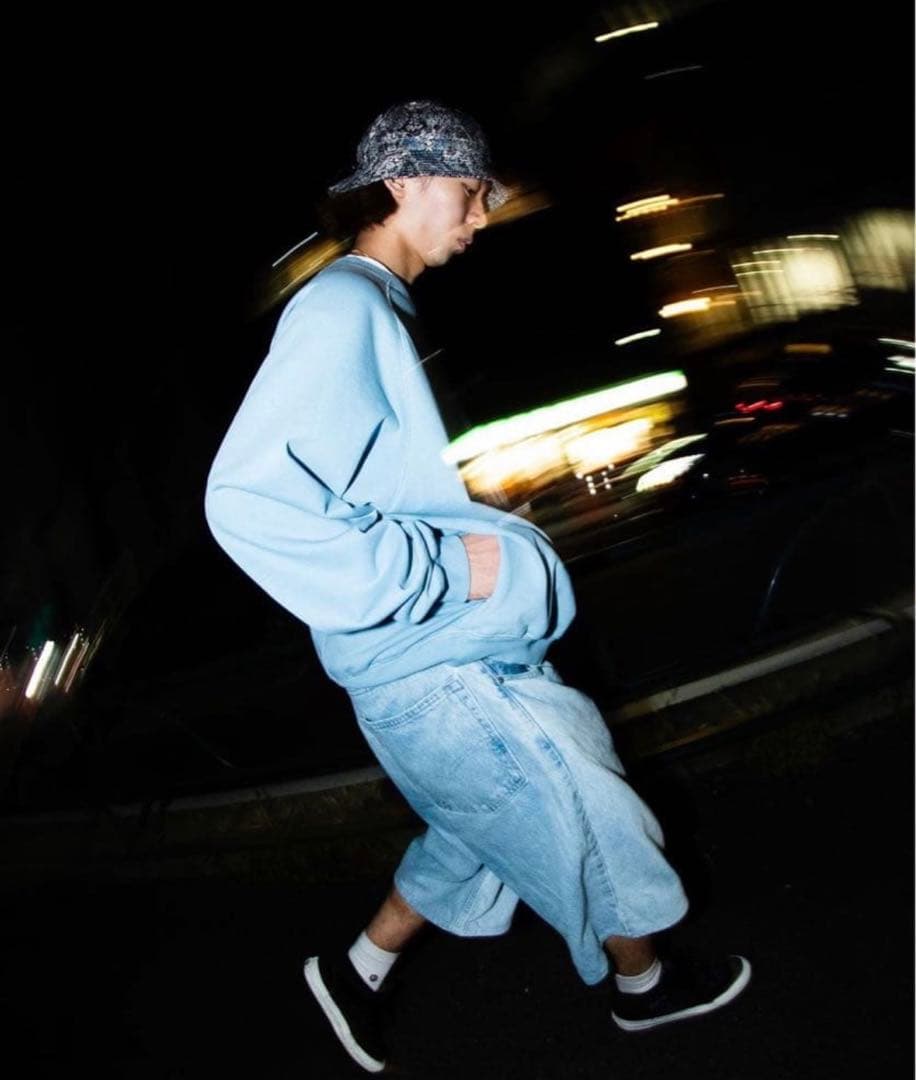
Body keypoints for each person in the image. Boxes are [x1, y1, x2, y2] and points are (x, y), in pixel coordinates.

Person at [204, 99, 750, 1073]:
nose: (482, 213)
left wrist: (464, 541)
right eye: (471, 189)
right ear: (406, 181)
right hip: (440, 670)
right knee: (589, 813)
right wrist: (445, 566)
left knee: (478, 817)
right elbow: (248, 501)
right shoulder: (342, 307)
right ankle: (645, 987)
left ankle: (357, 972)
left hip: (452, 659)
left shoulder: (373, 306)